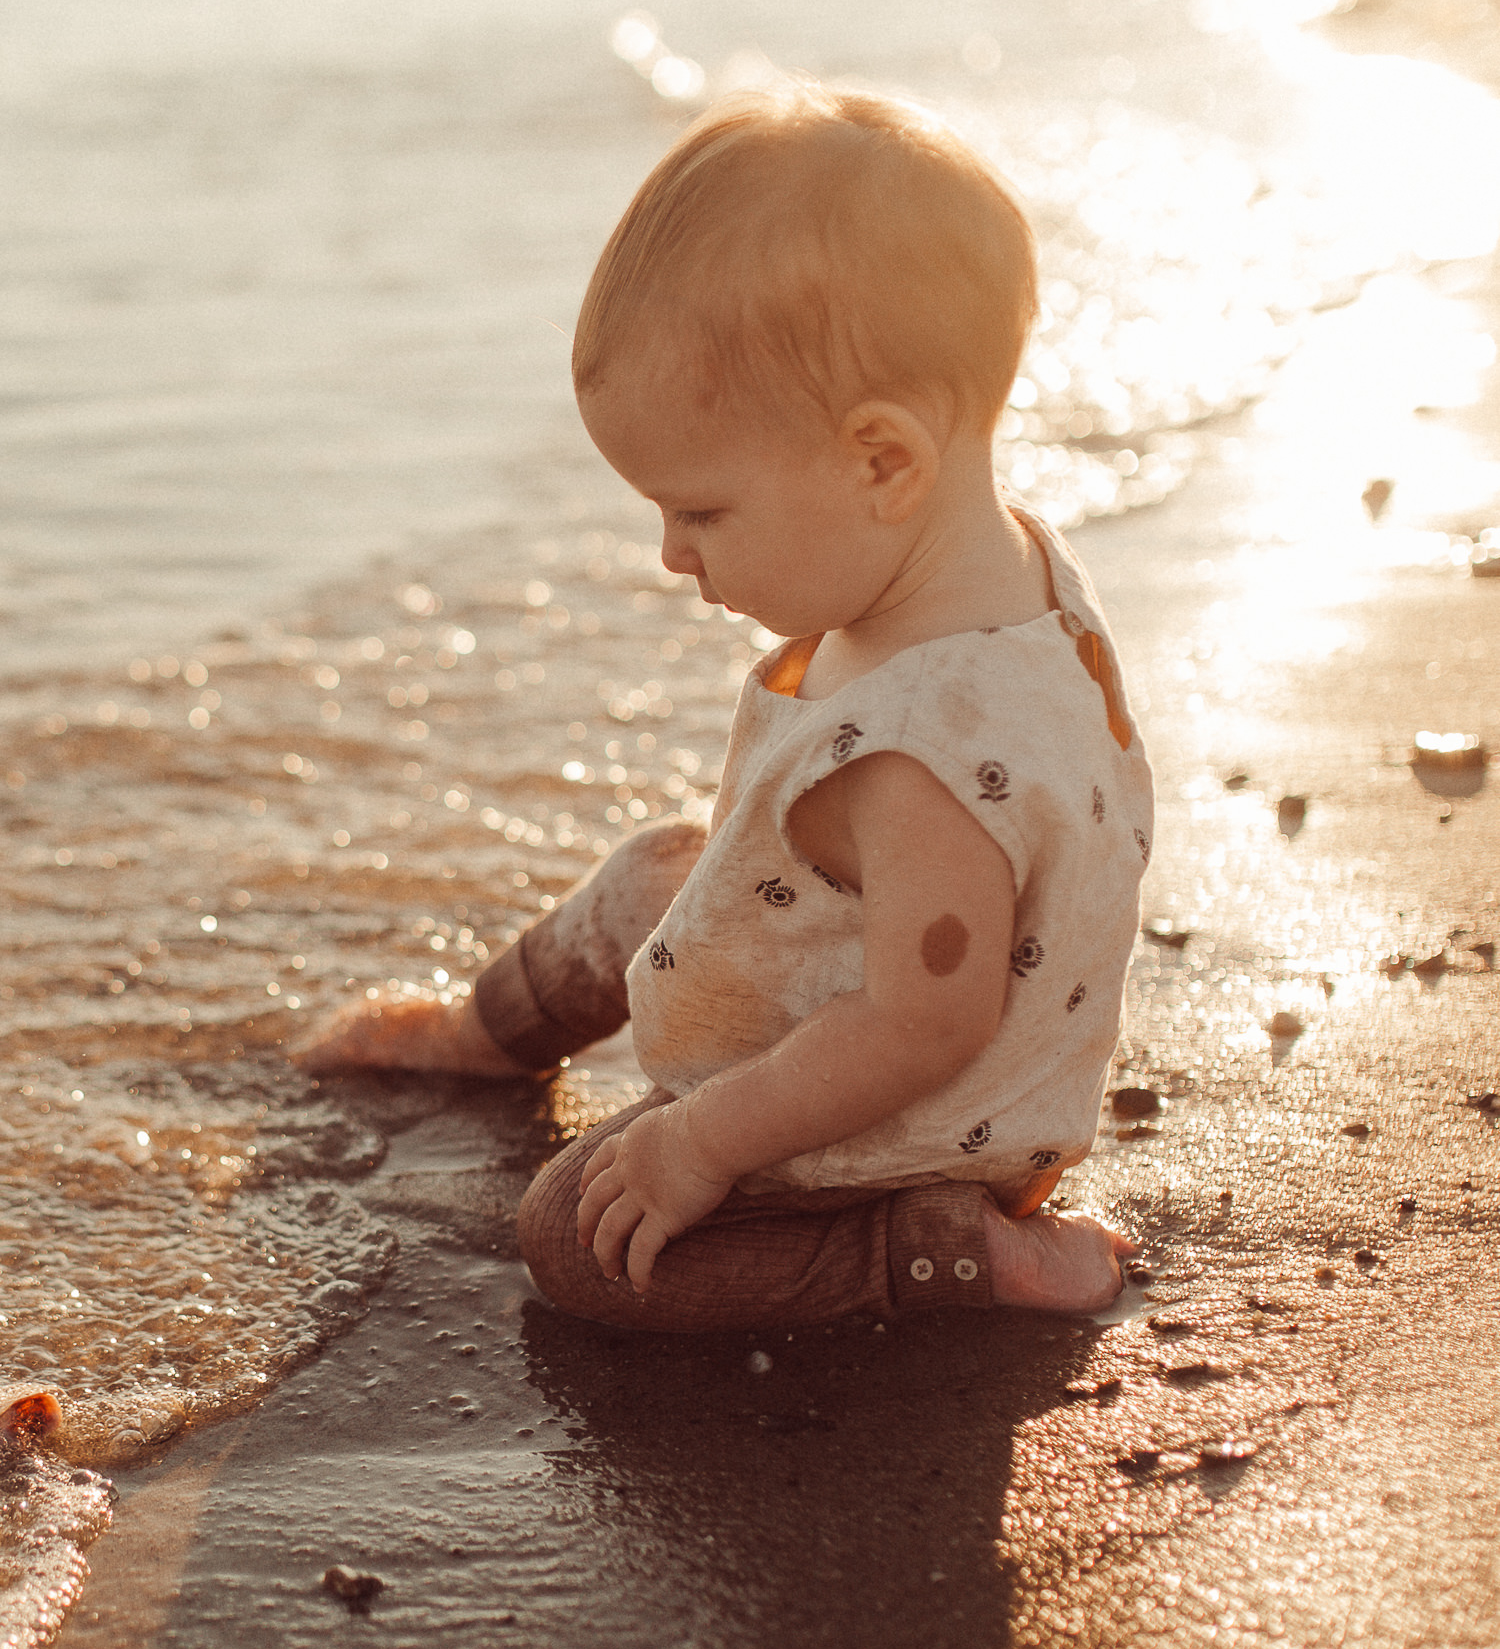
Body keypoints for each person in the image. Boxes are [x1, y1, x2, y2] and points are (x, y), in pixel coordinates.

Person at [299, 83, 1154, 1333]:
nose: (670, 555)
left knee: (579, 1238)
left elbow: (923, 1024)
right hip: (858, 994)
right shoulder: (984, 566)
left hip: (913, 1126)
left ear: (882, 463)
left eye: (700, 513)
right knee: (664, 874)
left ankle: (943, 1250)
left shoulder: (921, 766)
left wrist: (700, 1140)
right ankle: (489, 1034)